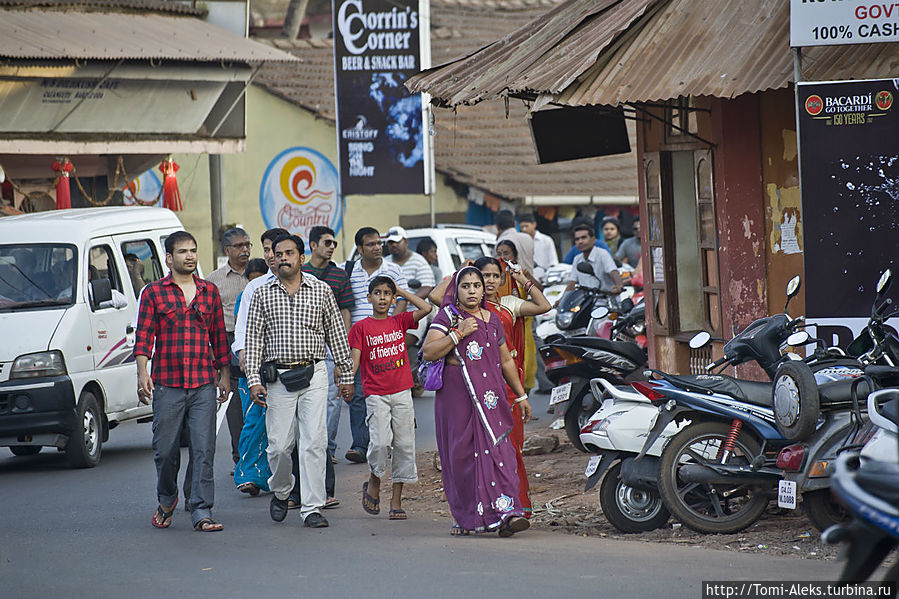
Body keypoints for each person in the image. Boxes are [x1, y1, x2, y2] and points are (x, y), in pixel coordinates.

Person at [244, 234, 354, 528]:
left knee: (314, 442)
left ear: (301, 258)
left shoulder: (321, 291)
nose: (282, 258)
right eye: (278, 254)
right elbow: (253, 341)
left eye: (289, 253)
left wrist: (347, 375)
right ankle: (281, 491)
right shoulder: (262, 294)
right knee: (279, 446)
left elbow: (336, 336)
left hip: (314, 373)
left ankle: (312, 507)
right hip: (278, 378)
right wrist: (254, 380)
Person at [421, 266, 532, 537]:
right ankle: (468, 517)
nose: (472, 290)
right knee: (461, 456)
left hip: (490, 399)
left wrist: (521, 395)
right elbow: (428, 351)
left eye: (476, 285)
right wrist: (457, 334)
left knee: (500, 451)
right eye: (465, 286)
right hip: (456, 398)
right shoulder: (448, 316)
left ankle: (508, 513)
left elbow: (506, 360)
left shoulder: (493, 319)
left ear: (484, 290)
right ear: (456, 291)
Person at [134, 230, 230, 532]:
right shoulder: (153, 293)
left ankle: (201, 509)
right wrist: (142, 372)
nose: (190, 256)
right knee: (165, 450)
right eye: (183, 251)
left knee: (204, 448)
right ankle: (167, 499)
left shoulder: (208, 291)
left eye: (193, 250)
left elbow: (218, 336)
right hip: (168, 384)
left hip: (202, 383)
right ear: (168, 257)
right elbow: (144, 335)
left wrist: (224, 373)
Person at [349, 276, 432, 520]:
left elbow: (426, 308)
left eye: (387, 293)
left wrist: (401, 291)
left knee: (404, 446)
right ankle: (374, 480)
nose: (383, 297)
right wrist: (346, 382)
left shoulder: (399, 321)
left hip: (402, 392)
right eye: (377, 293)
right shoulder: (361, 327)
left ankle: (396, 500)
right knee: (381, 443)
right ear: (369, 298)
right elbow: (355, 359)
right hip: (376, 394)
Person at [344, 227, 408, 464]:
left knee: (389, 392)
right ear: (359, 249)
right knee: (358, 393)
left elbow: (401, 300)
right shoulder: (347, 270)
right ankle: (361, 445)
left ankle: (389, 440)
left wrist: (392, 326)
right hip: (359, 339)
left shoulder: (393, 270)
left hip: (385, 339)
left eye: (378, 243)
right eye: (370, 244)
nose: (377, 247)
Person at [303, 225, 354, 509]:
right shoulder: (302, 273)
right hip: (306, 345)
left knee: (333, 402)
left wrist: (342, 347)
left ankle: (327, 447)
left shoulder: (339, 274)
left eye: (334, 243)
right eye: (326, 242)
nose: (332, 247)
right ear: (312, 246)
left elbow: (346, 310)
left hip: (332, 343)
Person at [206, 227, 252, 470]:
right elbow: (208, 322)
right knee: (236, 409)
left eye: (247, 245)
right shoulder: (214, 280)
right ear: (227, 250)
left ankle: (261, 460)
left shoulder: (260, 274)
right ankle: (241, 459)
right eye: (239, 246)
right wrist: (214, 357)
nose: (244, 250)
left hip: (257, 345)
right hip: (228, 344)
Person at [233, 259, 272, 496]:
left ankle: (266, 476)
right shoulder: (247, 295)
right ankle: (247, 474)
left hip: (278, 367)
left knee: (274, 428)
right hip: (252, 368)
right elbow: (242, 332)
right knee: (253, 421)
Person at [385, 225, 436, 397]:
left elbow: (427, 287)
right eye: (390, 243)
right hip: (389, 312)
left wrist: (406, 298)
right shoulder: (386, 263)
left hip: (416, 311)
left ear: (405, 242)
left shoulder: (419, 261)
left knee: (400, 343)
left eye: (397, 242)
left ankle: (401, 380)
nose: (393, 246)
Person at [565, 223, 623, 298]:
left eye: (583, 238)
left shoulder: (602, 254)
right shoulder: (577, 259)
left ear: (593, 240)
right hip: (586, 302)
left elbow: (613, 271)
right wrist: (562, 300)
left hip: (605, 301)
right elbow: (572, 283)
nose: (580, 241)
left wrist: (619, 285)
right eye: (577, 239)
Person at [517, 212, 558, 284]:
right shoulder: (519, 242)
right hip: (525, 282)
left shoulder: (546, 240)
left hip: (544, 281)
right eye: (522, 227)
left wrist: (546, 277)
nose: (524, 229)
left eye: (526, 226)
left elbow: (553, 264)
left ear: (534, 225)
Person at [495, 209, 535, 275]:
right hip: (530, 282)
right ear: (515, 224)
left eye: (505, 253)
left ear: (497, 227)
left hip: (513, 283)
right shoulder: (528, 237)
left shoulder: (501, 242)